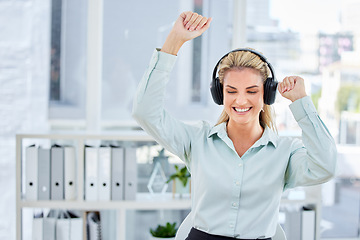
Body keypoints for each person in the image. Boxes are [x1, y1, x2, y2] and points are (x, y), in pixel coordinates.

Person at [132, 11, 337, 240]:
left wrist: (301, 103)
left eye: (252, 91)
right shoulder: (198, 139)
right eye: (231, 91)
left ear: (266, 96)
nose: (240, 100)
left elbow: (325, 166)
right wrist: (174, 40)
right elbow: (145, 113)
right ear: (220, 94)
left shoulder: (285, 151)